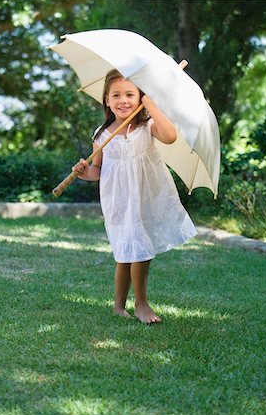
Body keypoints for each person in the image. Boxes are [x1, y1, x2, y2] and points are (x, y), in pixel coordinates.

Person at [72, 69, 197, 324]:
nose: (123, 100)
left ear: (140, 97)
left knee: (140, 250)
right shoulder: (102, 135)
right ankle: (121, 306)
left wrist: (151, 105)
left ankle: (140, 303)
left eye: (130, 94)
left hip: (146, 196)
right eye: (116, 95)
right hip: (119, 202)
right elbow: (98, 170)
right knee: (126, 252)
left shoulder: (147, 126)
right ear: (106, 100)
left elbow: (171, 136)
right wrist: (84, 172)